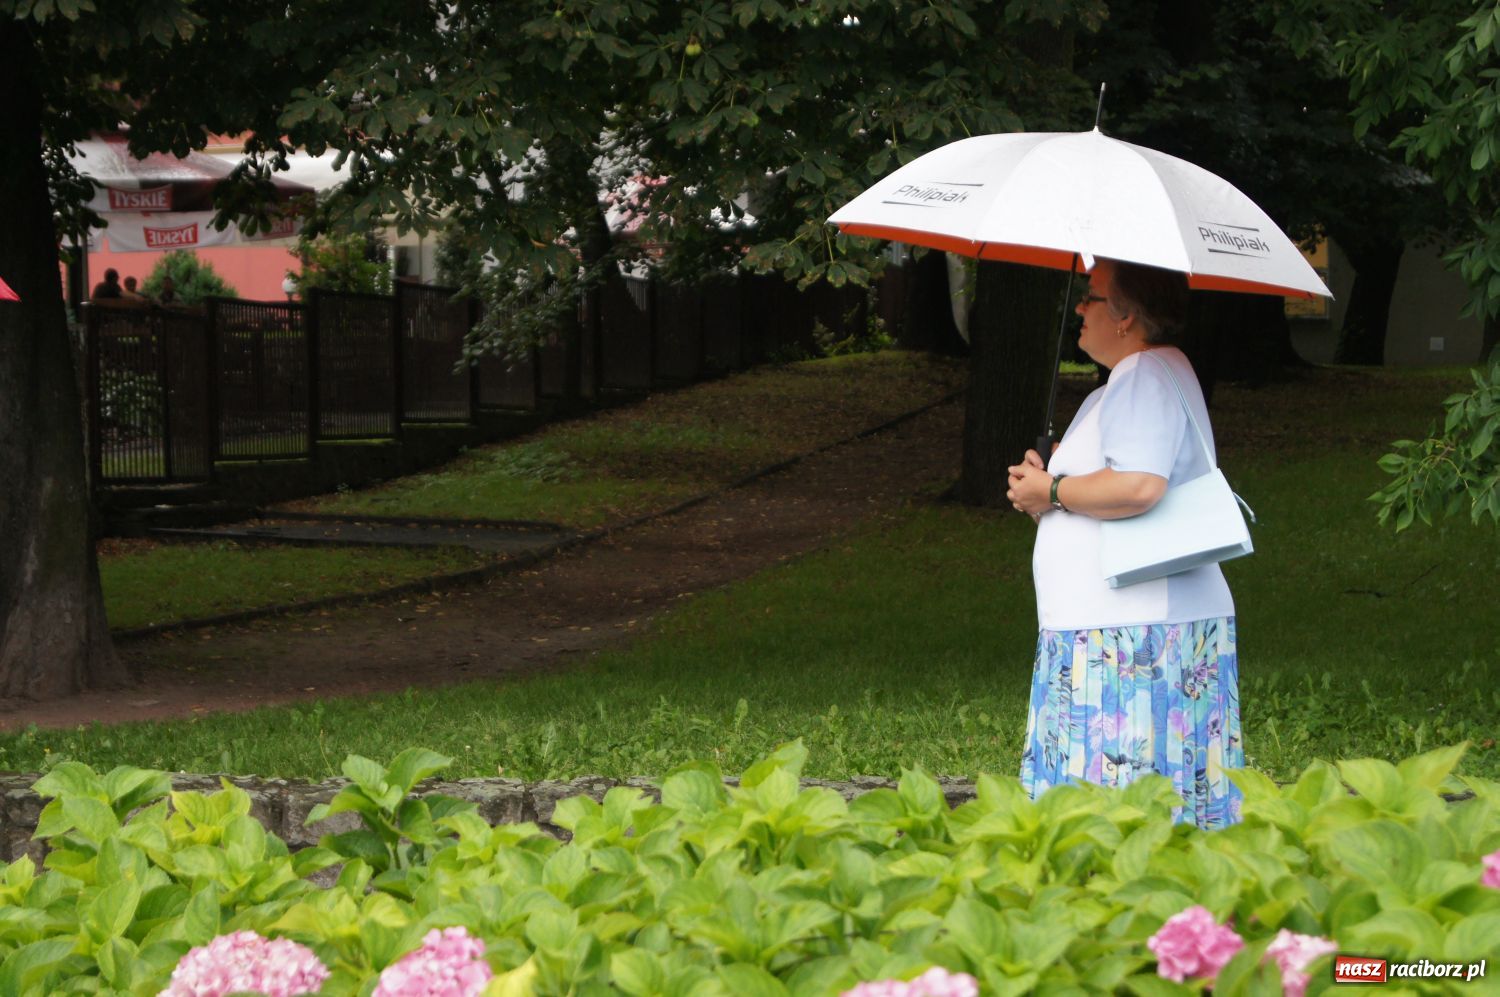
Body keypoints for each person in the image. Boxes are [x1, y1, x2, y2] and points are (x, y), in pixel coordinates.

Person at [1006, 258, 1242, 830]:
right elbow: (1111, 489)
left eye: (1092, 297)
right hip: (1124, 628)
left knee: (1113, 810)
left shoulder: (1144, 375)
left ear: (1127, 316)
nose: (1079, 309)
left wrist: (1055, 488)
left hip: (1127, 638)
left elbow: (1140, 484)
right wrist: (1046, 491)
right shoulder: (1143, 377)